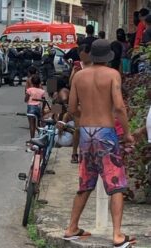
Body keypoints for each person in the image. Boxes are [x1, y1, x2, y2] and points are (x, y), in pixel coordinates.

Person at [64, 39, 135, 248]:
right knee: (116, 184)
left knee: (86, 181)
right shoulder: (113, 75)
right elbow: (120, 107)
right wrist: (128, 133)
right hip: (106, 132)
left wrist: (86, 115)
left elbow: (71, 107)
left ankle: (72, 228)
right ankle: (117, 235)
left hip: (86, 132)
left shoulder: (79, 75)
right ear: (108, 57)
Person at [68, 44, 92, 164]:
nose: (82, 57)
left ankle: (86, 153)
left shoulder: (94, 65)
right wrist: (75, 73)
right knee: (78, 128)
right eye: (80, 55)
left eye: (84, 55)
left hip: (92, 101)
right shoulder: (77, 65)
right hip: (79, 102)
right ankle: (74, 152)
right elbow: (71, 83)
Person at [25, 75, 46, 140]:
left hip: (31, 108)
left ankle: (32, 139)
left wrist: (27, 99)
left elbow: (25, 99)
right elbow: (44, 101)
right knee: (39, 124)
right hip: (38, 107)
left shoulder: (29, 90)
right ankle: (40, 138)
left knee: (32, 125)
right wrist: (42, 109)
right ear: (39, 82)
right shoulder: (42, 91)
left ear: (32, 82)